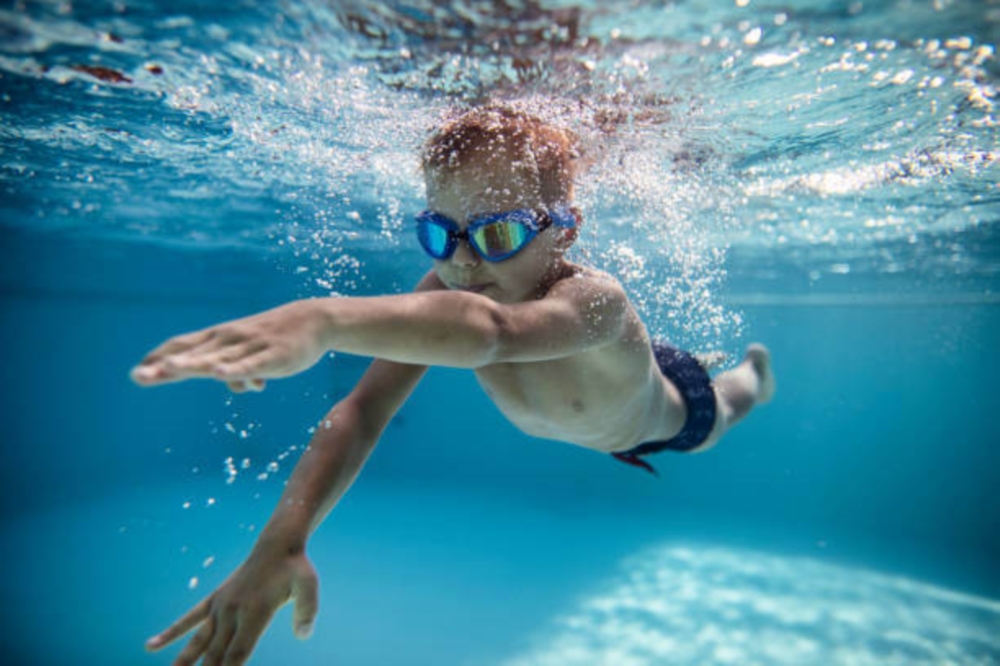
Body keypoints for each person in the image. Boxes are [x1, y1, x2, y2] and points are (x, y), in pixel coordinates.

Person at [132, 105, 774, 665]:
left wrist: (322, 319)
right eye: (440, 233)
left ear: (565, 229)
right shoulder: (453, 286)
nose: (462, 260)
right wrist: (282, 541)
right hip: (598, 395)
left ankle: (752, 372)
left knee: (723, 410)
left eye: (499, 233)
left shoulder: (595, 301)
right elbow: (361, 410)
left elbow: (493, 332)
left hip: (667, 411)